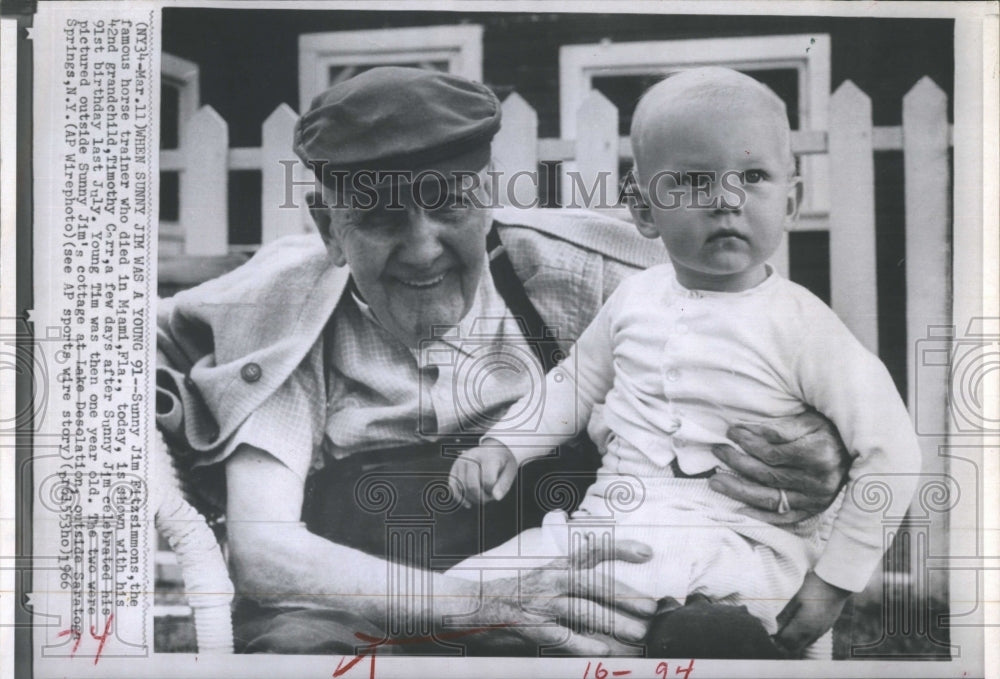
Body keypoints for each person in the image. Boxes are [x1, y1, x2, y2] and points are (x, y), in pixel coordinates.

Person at [155, 66, 853, 656]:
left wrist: (820, 443)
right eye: (382, 218)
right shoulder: (286, 314)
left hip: (577, 614)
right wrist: (476, 602)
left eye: (449, 206)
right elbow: (266, 552)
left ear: (485, 195)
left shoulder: (590, 275)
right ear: (327, 226)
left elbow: (777, 362)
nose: (424, 247)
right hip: (372, 620)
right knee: (300, 651)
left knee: (711, 637)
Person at [447, 67, 921, 658]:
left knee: (713, 638)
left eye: (753, 176)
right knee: (453, 600)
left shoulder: (804, 325)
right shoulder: (634, 298)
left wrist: (835, 579)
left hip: (743, 547)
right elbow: (572, 384)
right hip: (614, 527)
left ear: (791, 200)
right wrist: (505, 446)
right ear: (644, 212)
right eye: (695, 181)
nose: (725, 200)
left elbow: (892, 451)